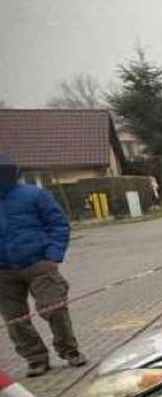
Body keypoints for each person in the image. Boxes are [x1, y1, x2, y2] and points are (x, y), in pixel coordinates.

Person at [0, 154, 87, 377]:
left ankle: (69, 351)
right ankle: (36, 359)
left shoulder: (34, 195)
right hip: (4, 271)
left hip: (38, 264)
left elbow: (58, 224)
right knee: (15, 320)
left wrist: (53, 255)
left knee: (54, 308)